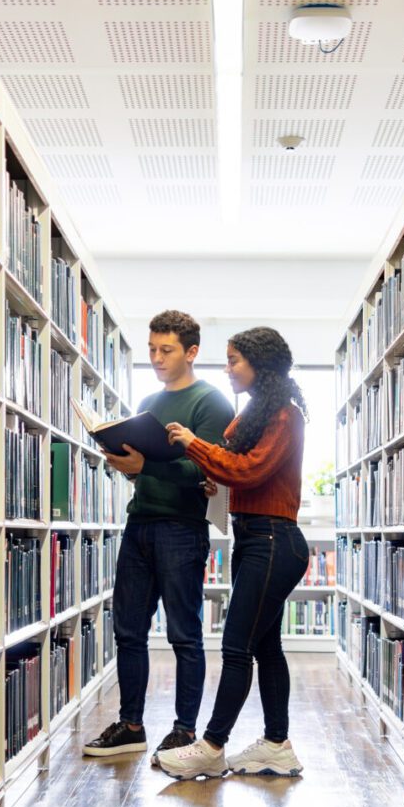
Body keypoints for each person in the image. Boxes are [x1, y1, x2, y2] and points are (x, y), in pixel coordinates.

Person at [155, 327, 309, 780]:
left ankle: (212, 746)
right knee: (266, 645)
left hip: (274, 541)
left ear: (259, 364)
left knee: (236, 646)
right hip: (253, 539)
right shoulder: (255, 416)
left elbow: (250, 469)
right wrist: (212, 476)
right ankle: (277, 744)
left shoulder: (285, 415)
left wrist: (193, 443)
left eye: (234, 360)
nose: (227, 369)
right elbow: (235, 469)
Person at [82, 310, 235, 763]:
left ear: (191, 352)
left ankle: (184, 731)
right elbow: (151, 467)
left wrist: (146, 467)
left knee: (184, 634)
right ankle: (131, 726)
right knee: (128, 630)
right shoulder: (149, 400)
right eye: (151, 349)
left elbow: (206, 469)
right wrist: (128, 463)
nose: (156, 357)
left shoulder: (212, 403)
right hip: (140, 524)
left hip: (181, 530)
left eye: (165, 350)